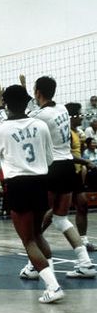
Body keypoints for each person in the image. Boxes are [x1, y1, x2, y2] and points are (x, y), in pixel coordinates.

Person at [0, 84, 64, 303]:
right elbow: (50, 159)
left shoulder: (1, 129)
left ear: (6, 105)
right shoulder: (40, 125)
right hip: (41, 181)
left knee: (28, 240)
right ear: (27, 101)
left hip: (18, 183)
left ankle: (53, 286)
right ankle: (52, 278)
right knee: (38, 234)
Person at [25, 76, 96, 279]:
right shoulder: (63, 109)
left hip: (52, 168)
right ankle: (85, 263)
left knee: (35, 227)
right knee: (61, 219)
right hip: (68, 167)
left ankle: (37, 266)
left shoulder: (39, 116)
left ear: (37, 92)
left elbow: (23, 117)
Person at [65, 102, 97, 251]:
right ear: (71, 116)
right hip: (66, 173)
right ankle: (37, 234)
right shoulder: (66, 133)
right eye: (79, 114)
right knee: (57, 210)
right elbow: (65, 155)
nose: (82, 117)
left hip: (76, 173)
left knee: (82, 205)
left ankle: (83, 240)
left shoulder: (77, 132)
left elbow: (79, 150)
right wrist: (86, 161)